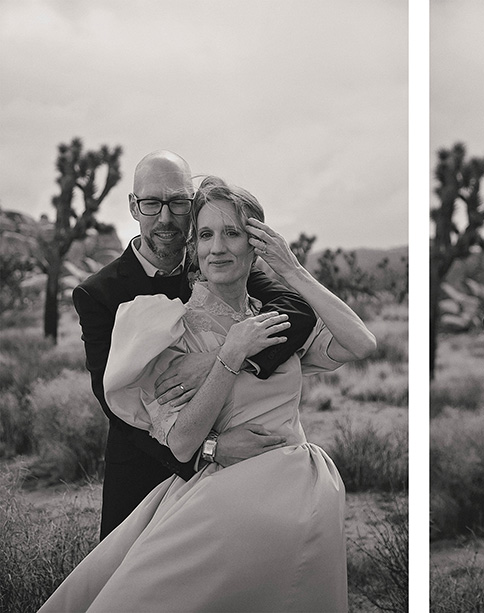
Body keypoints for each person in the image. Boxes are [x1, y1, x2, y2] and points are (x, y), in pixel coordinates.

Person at [40, 176, 376, 612]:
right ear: (194, 249)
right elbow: (179, 442)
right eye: (205, 235)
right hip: (221, 510)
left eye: (232, 233)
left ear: (255, 244)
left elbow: (361, 343)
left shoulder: (273, 320)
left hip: (302, 504)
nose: (218, 247)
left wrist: (292, 269)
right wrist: (228, 354)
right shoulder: (169, 329)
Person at [73, 150, 316, 539]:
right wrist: (211, 450)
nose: (166, 217)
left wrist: (219, 357)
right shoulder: (99, 293)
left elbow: (297, 310)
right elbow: (116, 406)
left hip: (235, 483)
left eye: (178, 202)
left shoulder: (213, 257)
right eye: (152, 203)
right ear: (134, 207)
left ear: (192, 205)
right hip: (146, 474)